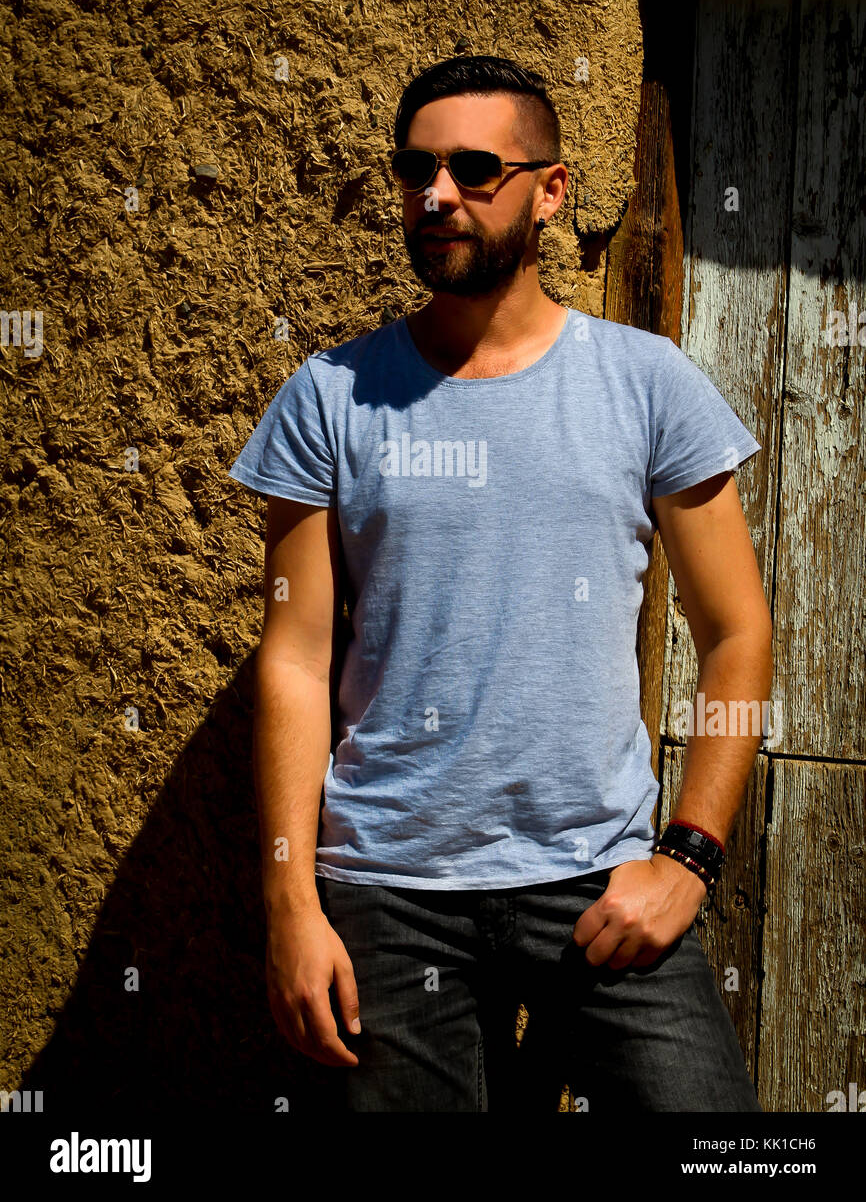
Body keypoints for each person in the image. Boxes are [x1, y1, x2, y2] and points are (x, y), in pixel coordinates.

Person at [228, 55, 771, 1112]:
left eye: (475, 169)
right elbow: (292, 659)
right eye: (415, 169)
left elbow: (736, 632)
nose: (437, 194)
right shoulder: (329, 396)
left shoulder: (644, 381)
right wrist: (290, 900)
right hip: (388, 893)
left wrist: (688, 857)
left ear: (550, 190)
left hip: (597, 877)